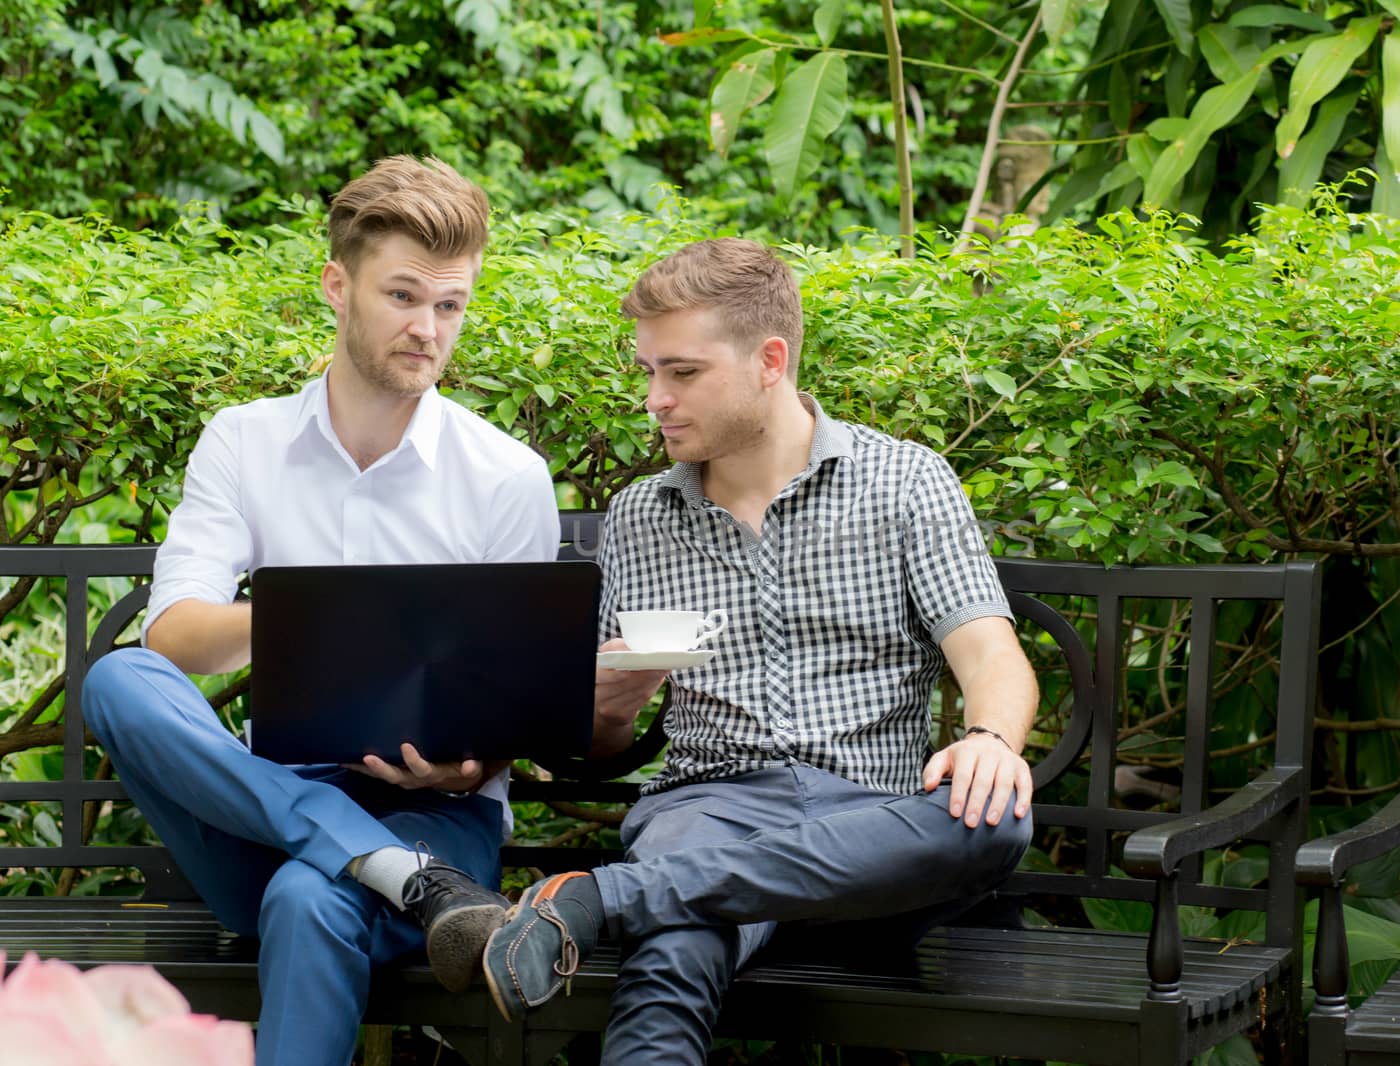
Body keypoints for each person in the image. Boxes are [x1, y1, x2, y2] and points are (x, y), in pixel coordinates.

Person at [481, 237, 1038, 1063]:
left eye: (683, 372)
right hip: (709, 806)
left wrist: (992, 741)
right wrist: (609, 703)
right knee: (677, 941)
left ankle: (605, 897)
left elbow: (991, 652)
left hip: (869, 827)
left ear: (769, 359)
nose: (654, 399)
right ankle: (639, 898)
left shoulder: (905, 482)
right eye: (647, 372)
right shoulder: (641, 517)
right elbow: (598, 745)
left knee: (993, 823)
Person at [81, 155, 560, 1066]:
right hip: (259, 809)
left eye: (450, 306)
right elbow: (176, 635)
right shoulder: (245, 441)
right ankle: (379, 867)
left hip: (435, 822)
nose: (428, 329)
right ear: (338, 286)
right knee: (119, 678)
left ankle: (388, 865)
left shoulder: (505, 476)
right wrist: (319, 617)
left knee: (309, 897)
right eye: (403, 296)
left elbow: (516, 701)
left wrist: (465, 765)